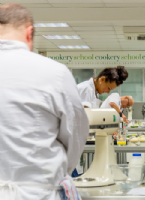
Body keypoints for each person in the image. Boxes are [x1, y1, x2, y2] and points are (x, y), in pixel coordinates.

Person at [0, 3, 89, 200]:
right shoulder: (54, 72)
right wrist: (61, 171)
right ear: (29, 32)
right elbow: (76, 133)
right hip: (39, 192)